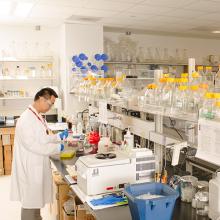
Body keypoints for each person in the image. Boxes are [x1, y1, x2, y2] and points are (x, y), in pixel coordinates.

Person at [10, 87, 68, 220]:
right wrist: (57, 148)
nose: (50, 107)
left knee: (35, 203)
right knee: (30, 204)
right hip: (30, 168)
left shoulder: (36, 115)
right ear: (42, 99)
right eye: (50, 104)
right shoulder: (26, 119)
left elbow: (41, 138)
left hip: (35, 166)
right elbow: (34, 145)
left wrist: (58, 137)